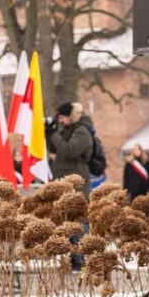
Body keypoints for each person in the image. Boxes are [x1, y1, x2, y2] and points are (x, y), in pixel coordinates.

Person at [46, 101, 95, 271]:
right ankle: (74, 258)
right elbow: (55, 148)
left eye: (62, 117)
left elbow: (69, 151)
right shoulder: (68, 129)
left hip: (77, 184)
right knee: (67, 223)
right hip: (65, 183)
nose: (60, 121)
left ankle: (83, 259)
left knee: (78, 223)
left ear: (71, 116)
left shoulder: (82, 131)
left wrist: (55, 135)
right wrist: (49, 132)